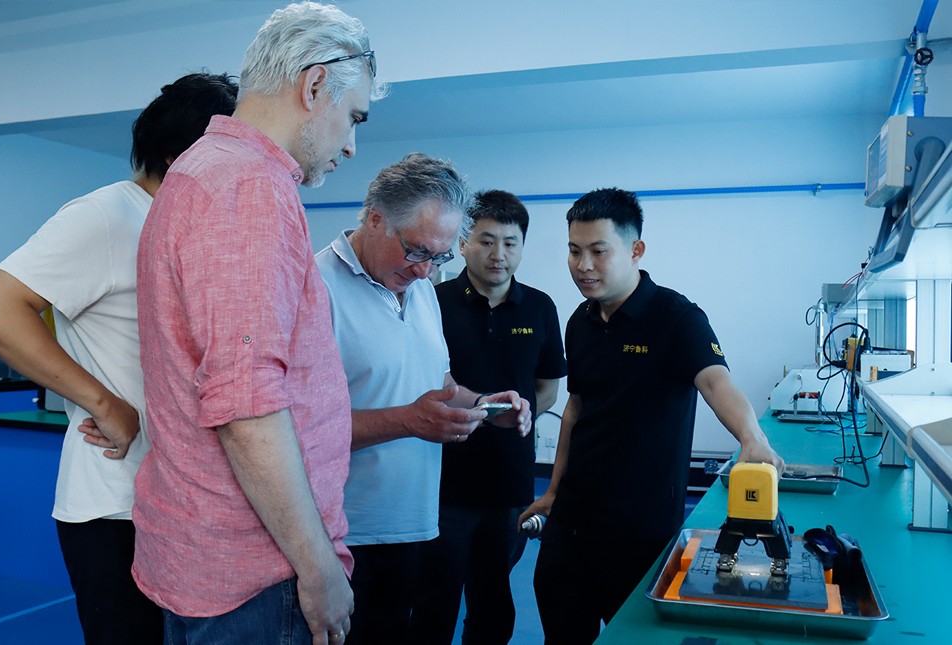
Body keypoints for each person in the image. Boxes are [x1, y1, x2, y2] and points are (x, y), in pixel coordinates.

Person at [132, 4, 384, 644]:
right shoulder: (249, 187)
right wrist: (318, 566)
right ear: (315, 85)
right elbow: (246, 407)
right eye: (354, 118)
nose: (351, 145)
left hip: (209, 552)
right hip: (258, 572)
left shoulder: (199, 172)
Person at [0, 72, 238, 644]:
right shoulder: (108, 215)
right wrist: (104, 402)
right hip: (118, 502)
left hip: (182, 497)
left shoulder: (182, 225)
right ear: (178, 156)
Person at [521, 188, 785, 644]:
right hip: (572, 525)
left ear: (636, 250)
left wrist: (752, 438)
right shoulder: (580, 322)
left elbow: (715, 381)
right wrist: (554, 492)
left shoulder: (677, 317)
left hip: (640, 533)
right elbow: (575, 409)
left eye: (598, 251)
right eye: (574, 251)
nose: (583, 265)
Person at [315, 155, 532, 645]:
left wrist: (483, 405)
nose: (425, 270)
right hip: (342, 534)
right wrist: (408, 422)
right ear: (375, 218)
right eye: (416, 250)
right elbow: (295, 428)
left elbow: (441, 381)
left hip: (413, 523)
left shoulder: (421, 288)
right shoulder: (316, 286)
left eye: (439, 257)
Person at [409, 190, 567, 644]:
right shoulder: (430, 301)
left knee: (494, 596)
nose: (499, 254)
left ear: (522, 246)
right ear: (463, 244)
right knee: (434, 598)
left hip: (509, 482)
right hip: (442, 480)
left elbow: (546, 388)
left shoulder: (540, 307)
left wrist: (513, 417)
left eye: (510, 243)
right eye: (486, 241)